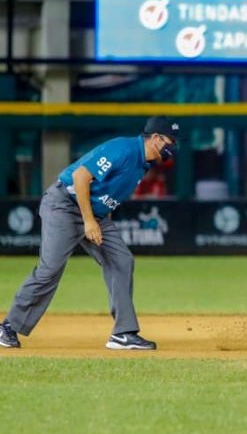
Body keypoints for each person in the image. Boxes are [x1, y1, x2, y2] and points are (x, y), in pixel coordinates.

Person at [0, 116, 181, 350]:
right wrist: (88, 221)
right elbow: (81, 177)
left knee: (121, 260)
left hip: (95, 214)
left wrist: (99, 222)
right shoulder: (123, 149)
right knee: (50, 269)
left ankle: (123, 333)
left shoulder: (142, 164)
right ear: (155, 138)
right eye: (170, 140)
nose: (173, 146)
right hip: (64, 205)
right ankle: (7, 327)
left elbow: (108, 196)